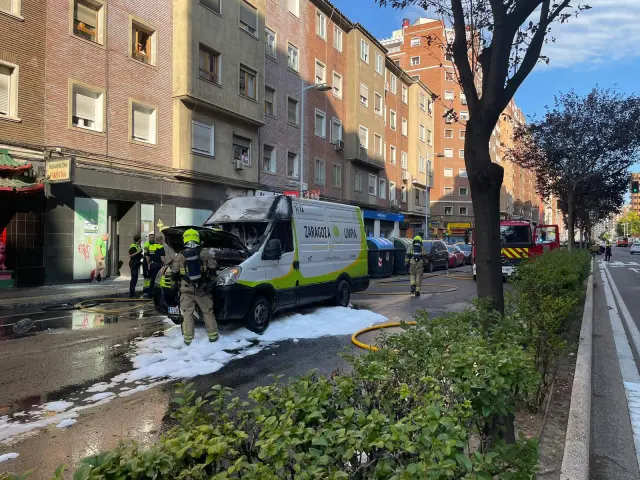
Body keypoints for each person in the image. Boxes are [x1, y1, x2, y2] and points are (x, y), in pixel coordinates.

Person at [171, 229, 219, 345]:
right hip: (202, 289)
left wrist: (174, 285)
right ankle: (213, 337)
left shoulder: (180, 255)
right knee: (207, 312)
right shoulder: (205, 253)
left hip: (186, 289)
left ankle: (188, 340)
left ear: (185, 239)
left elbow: (174, 272)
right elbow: (213, 269)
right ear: (197, 238)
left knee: (187, 314)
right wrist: (210, 283)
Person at [145, 233, 166, 298]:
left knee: (152, 280)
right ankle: (157, 296)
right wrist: (165, 265)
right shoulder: (160, 247)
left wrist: (149, 264)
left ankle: (149, 295)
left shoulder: (151, 246)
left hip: (152, 265)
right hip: (158, 266)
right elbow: (162, 258)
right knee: (158, 281)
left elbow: (147, 257)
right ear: (160, 240)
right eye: (162, 240)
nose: (163, 242)